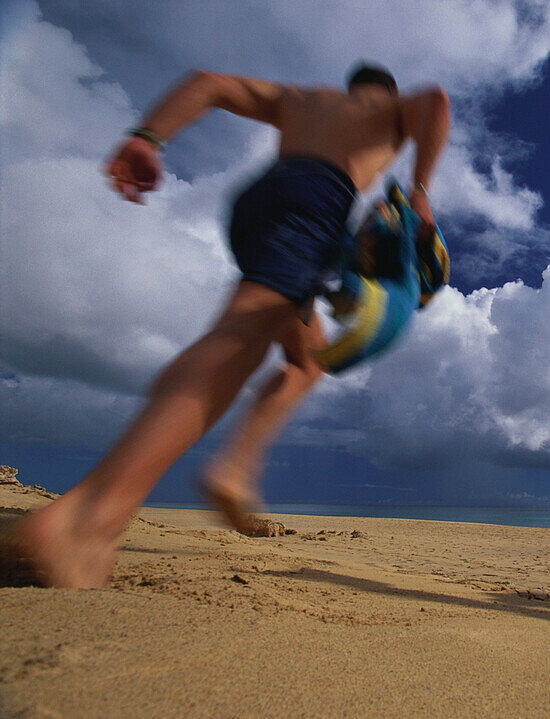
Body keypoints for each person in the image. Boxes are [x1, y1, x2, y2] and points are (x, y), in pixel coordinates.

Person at [3, 63, 450, 588]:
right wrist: (420, 192)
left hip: (260, 203)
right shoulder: (386, 112)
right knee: (241, 333)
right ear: (385, 92)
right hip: (317, 202)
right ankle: (87, 520)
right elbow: (436, 102)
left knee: (307, 360)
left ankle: (235, 468)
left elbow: (207, 83)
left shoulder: (298, 96)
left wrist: (148, 138)